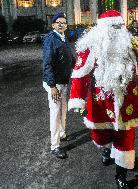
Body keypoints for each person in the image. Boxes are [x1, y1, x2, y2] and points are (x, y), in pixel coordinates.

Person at [68, 10, 138, 189]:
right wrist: (77, 98)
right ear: (103, 29)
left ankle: (120, 176)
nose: (118, 30)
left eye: (120, 26)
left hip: (127, 100)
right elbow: (80, 74)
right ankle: (107, 149)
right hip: (101, 100)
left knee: (125, 137)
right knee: (100, 133)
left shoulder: (130, 42)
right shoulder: (92, 45)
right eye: (114, 26)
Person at [42, 12, 75, 159]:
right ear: (53, 25)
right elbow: (47, 64)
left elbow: (70, 58)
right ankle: (55, 146)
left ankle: (62, 134)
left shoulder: (63, 38)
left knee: (63, 110)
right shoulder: (51, 39)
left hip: (63, 81)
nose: (62, 24)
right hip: (55, 83)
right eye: (59, 22)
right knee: (55, 114)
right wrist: (52, 86)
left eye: (64, 22)